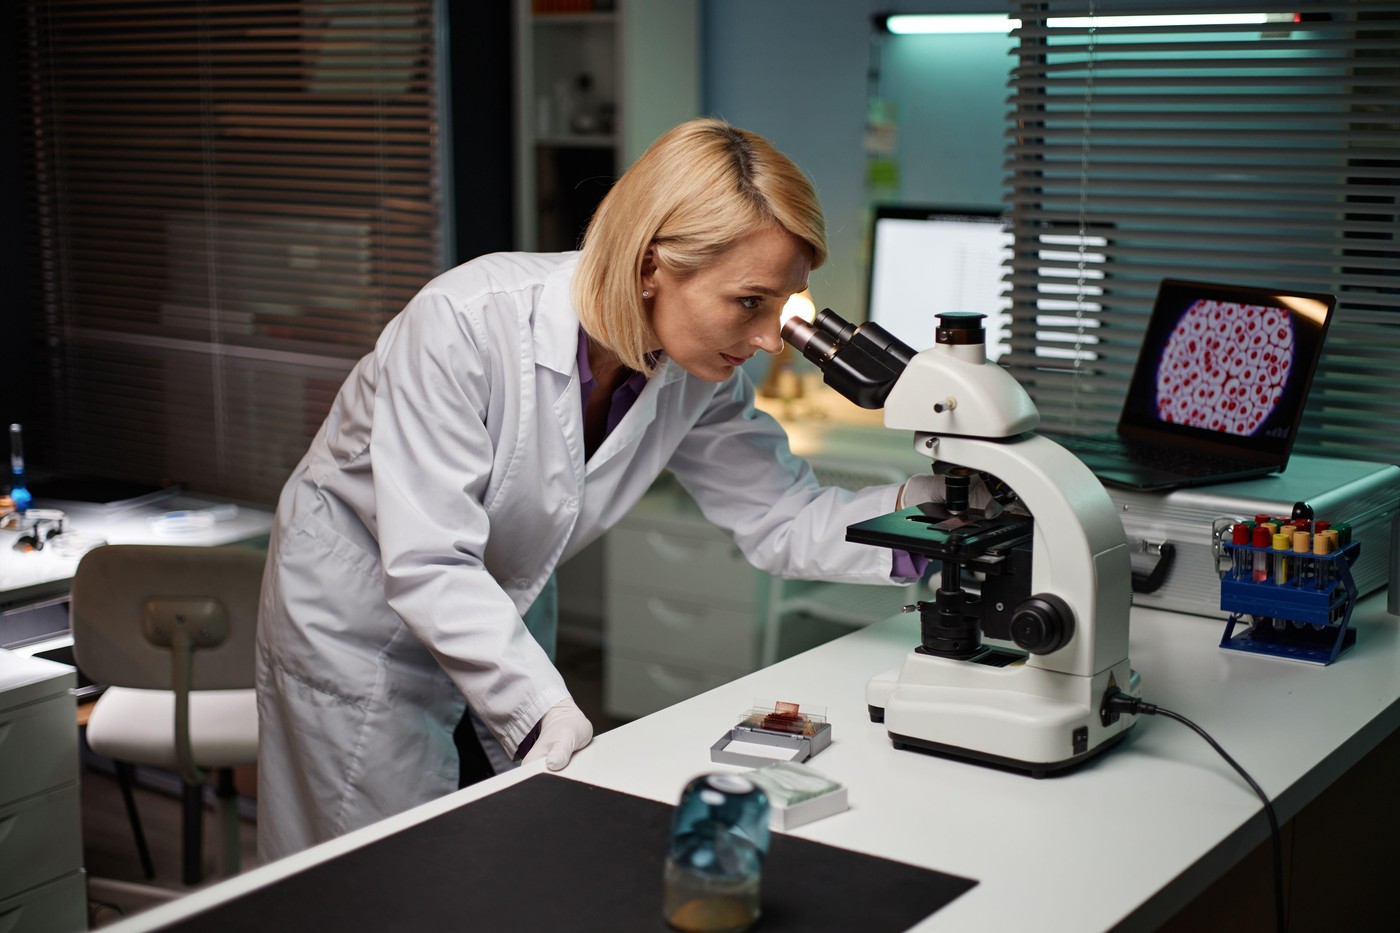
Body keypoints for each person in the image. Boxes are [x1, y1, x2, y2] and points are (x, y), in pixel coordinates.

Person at [254, 117, 949, 862]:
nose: (770, 341)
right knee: (373, 870)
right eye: (750, 302)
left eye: (782, 309)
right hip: (360, 623)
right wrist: (543, 703)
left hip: (495, 599)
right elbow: (428, 560)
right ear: (653, 265)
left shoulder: (694, 373)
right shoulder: (463, 323)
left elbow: (783, 516)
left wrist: (930, 520)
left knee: (486, 849)